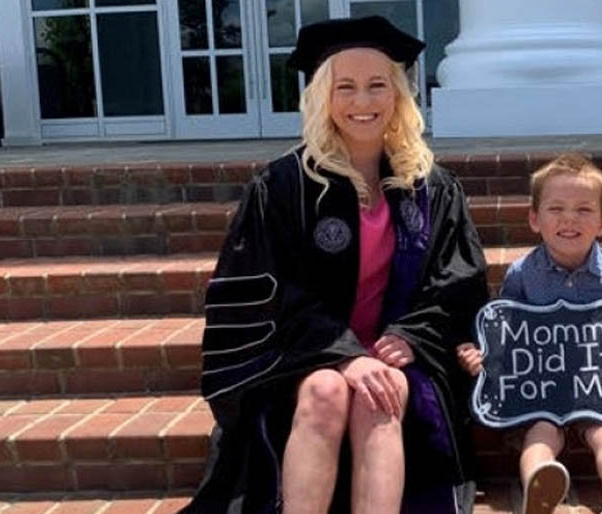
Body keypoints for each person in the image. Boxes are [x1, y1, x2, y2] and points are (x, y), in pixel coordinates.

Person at [182, 16, 489, 514]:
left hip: (398, 352)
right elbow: (266, 290)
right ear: (323, 97)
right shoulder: (284, 186)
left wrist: (411, 335)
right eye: (345, 87)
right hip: (302, 353)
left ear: (398, 95)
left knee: (381, 393)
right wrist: (344, 354)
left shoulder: (430, 187)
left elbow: (458, 282)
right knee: (325, 390)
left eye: (377, 85)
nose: (362, 101)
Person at [456, 154, 602, 514]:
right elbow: (508, 334)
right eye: (555, 208)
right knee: (541, 431)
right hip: (541, 387)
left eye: (584, 210)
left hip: (598, 385)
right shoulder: (522, 275)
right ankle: (538, 485)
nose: (569, 218)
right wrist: (484, 357)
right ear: (534, 219)